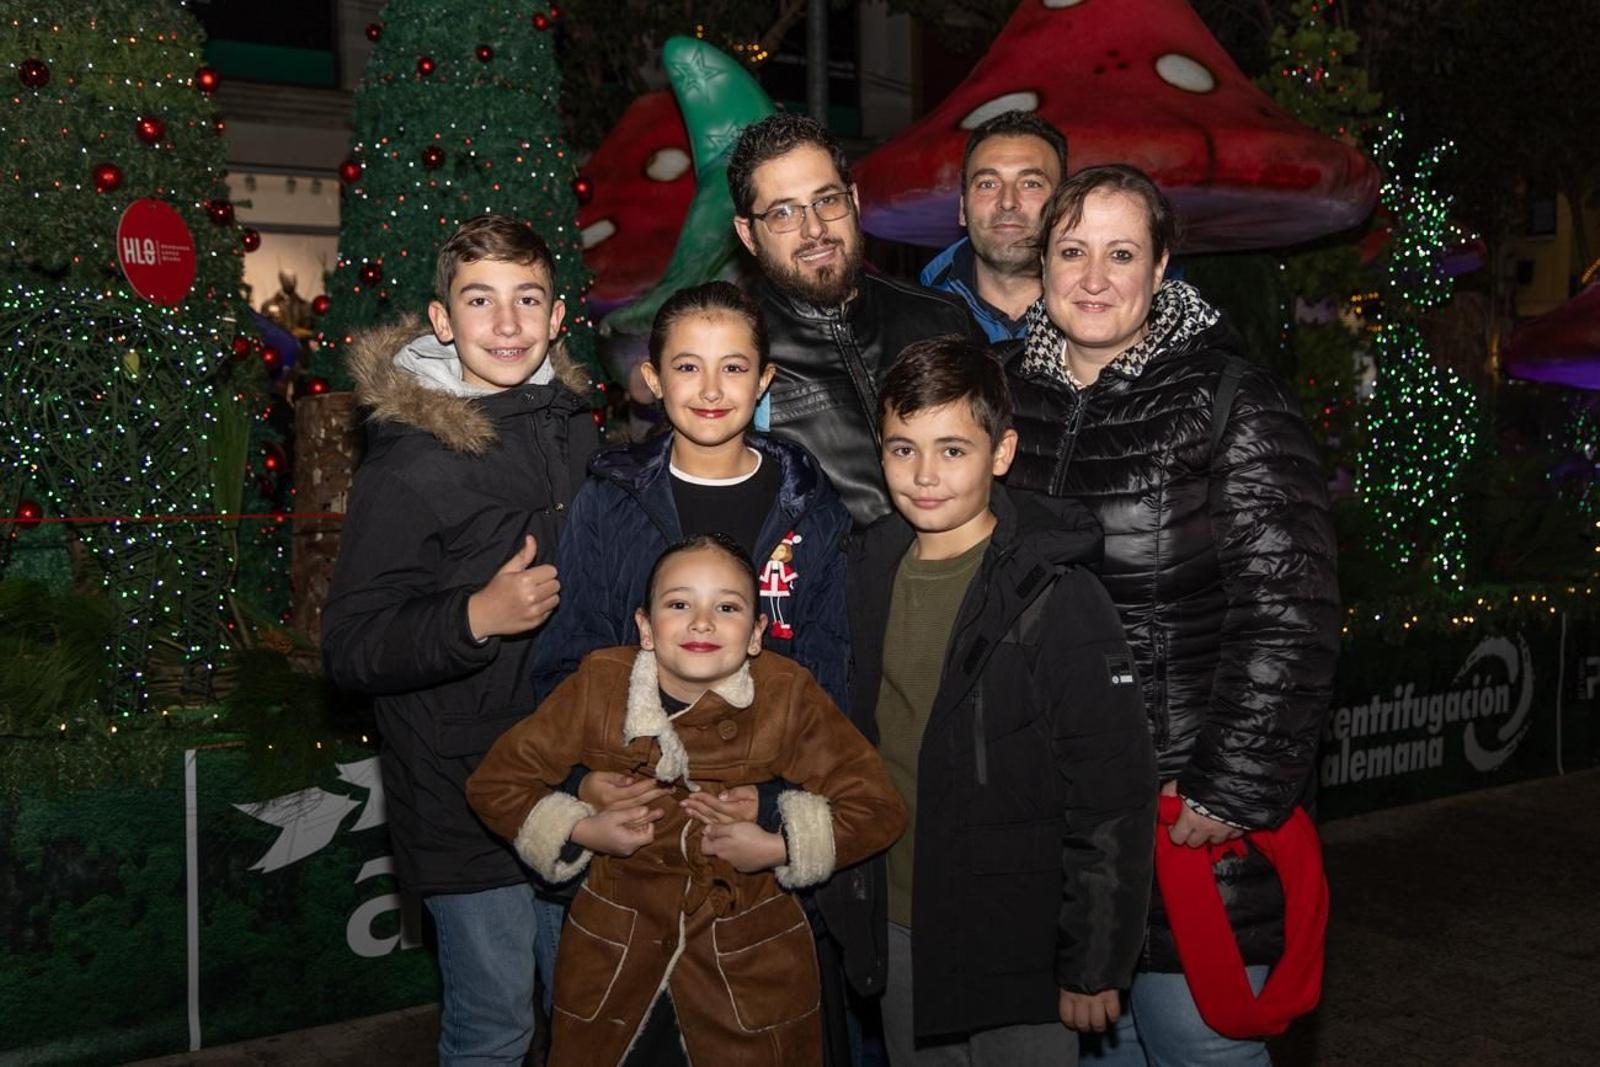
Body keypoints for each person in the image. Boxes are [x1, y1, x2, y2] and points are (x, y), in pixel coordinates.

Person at [999, 164, 1341, 1065]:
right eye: (1072, 251)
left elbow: (1290, 612)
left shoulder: (1230, 400)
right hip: (1061, 837)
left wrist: (1229, 787)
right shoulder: (997, 397)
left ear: (1161, 269)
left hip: (1185, 830)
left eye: (1122, 253)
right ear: (1041, 263)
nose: (1095, 277)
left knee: (1199, 1043)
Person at [817, 336, 1158, 1065]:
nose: (925, 474)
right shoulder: (867, 569)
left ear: (1001, 453)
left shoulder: (1057, 593)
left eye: (952, 449)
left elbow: (1112, 789)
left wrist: (1095, 956)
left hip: (1018, 938)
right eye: (903, 449)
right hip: (903, 924)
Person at [466, 535, 908, 1067]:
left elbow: (877, 807)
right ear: (646, 628)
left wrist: (775, 846)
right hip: (613, 962)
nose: (702, 622)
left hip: (747, 967)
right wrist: (583, 828)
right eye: (679, 604)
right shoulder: (601, 684)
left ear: (755, 635)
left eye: (727, 607)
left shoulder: (786, 694)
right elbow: (496, 784)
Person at [320, 215, 596, 1067]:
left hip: (580, 781)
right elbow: (351, 645)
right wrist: (473, 617)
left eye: (528, 300)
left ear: (558, 319)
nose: (507, 324)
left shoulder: (577, 430)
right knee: (494, 1030)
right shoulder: (409, 464)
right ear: (443, 320)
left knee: (591, 1017)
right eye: (481, 300)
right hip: (464, 800)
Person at [532, 280, 851, 710]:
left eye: (734, 368)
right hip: (635, 762)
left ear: (763, 380)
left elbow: (829, 666)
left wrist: (780, 778)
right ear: (654, 379)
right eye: (687, 367)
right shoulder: (609, 500)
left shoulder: (808, 502)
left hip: (773, 762)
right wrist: (590, 774)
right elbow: (571, 658)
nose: (711, 390)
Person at [728, 112, 982, 527]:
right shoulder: (733, 351)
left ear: (855, 202)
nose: (814, 230)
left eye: (827, 200)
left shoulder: (941, 320)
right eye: (784, 213)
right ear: (747, 234)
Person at [919, 110, 1067, 342]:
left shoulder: (1108, 318)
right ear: (962, 210)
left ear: (1064, 206)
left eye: (1031, 184)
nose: (1008, 202)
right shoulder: (913, 323)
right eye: (988, 184)